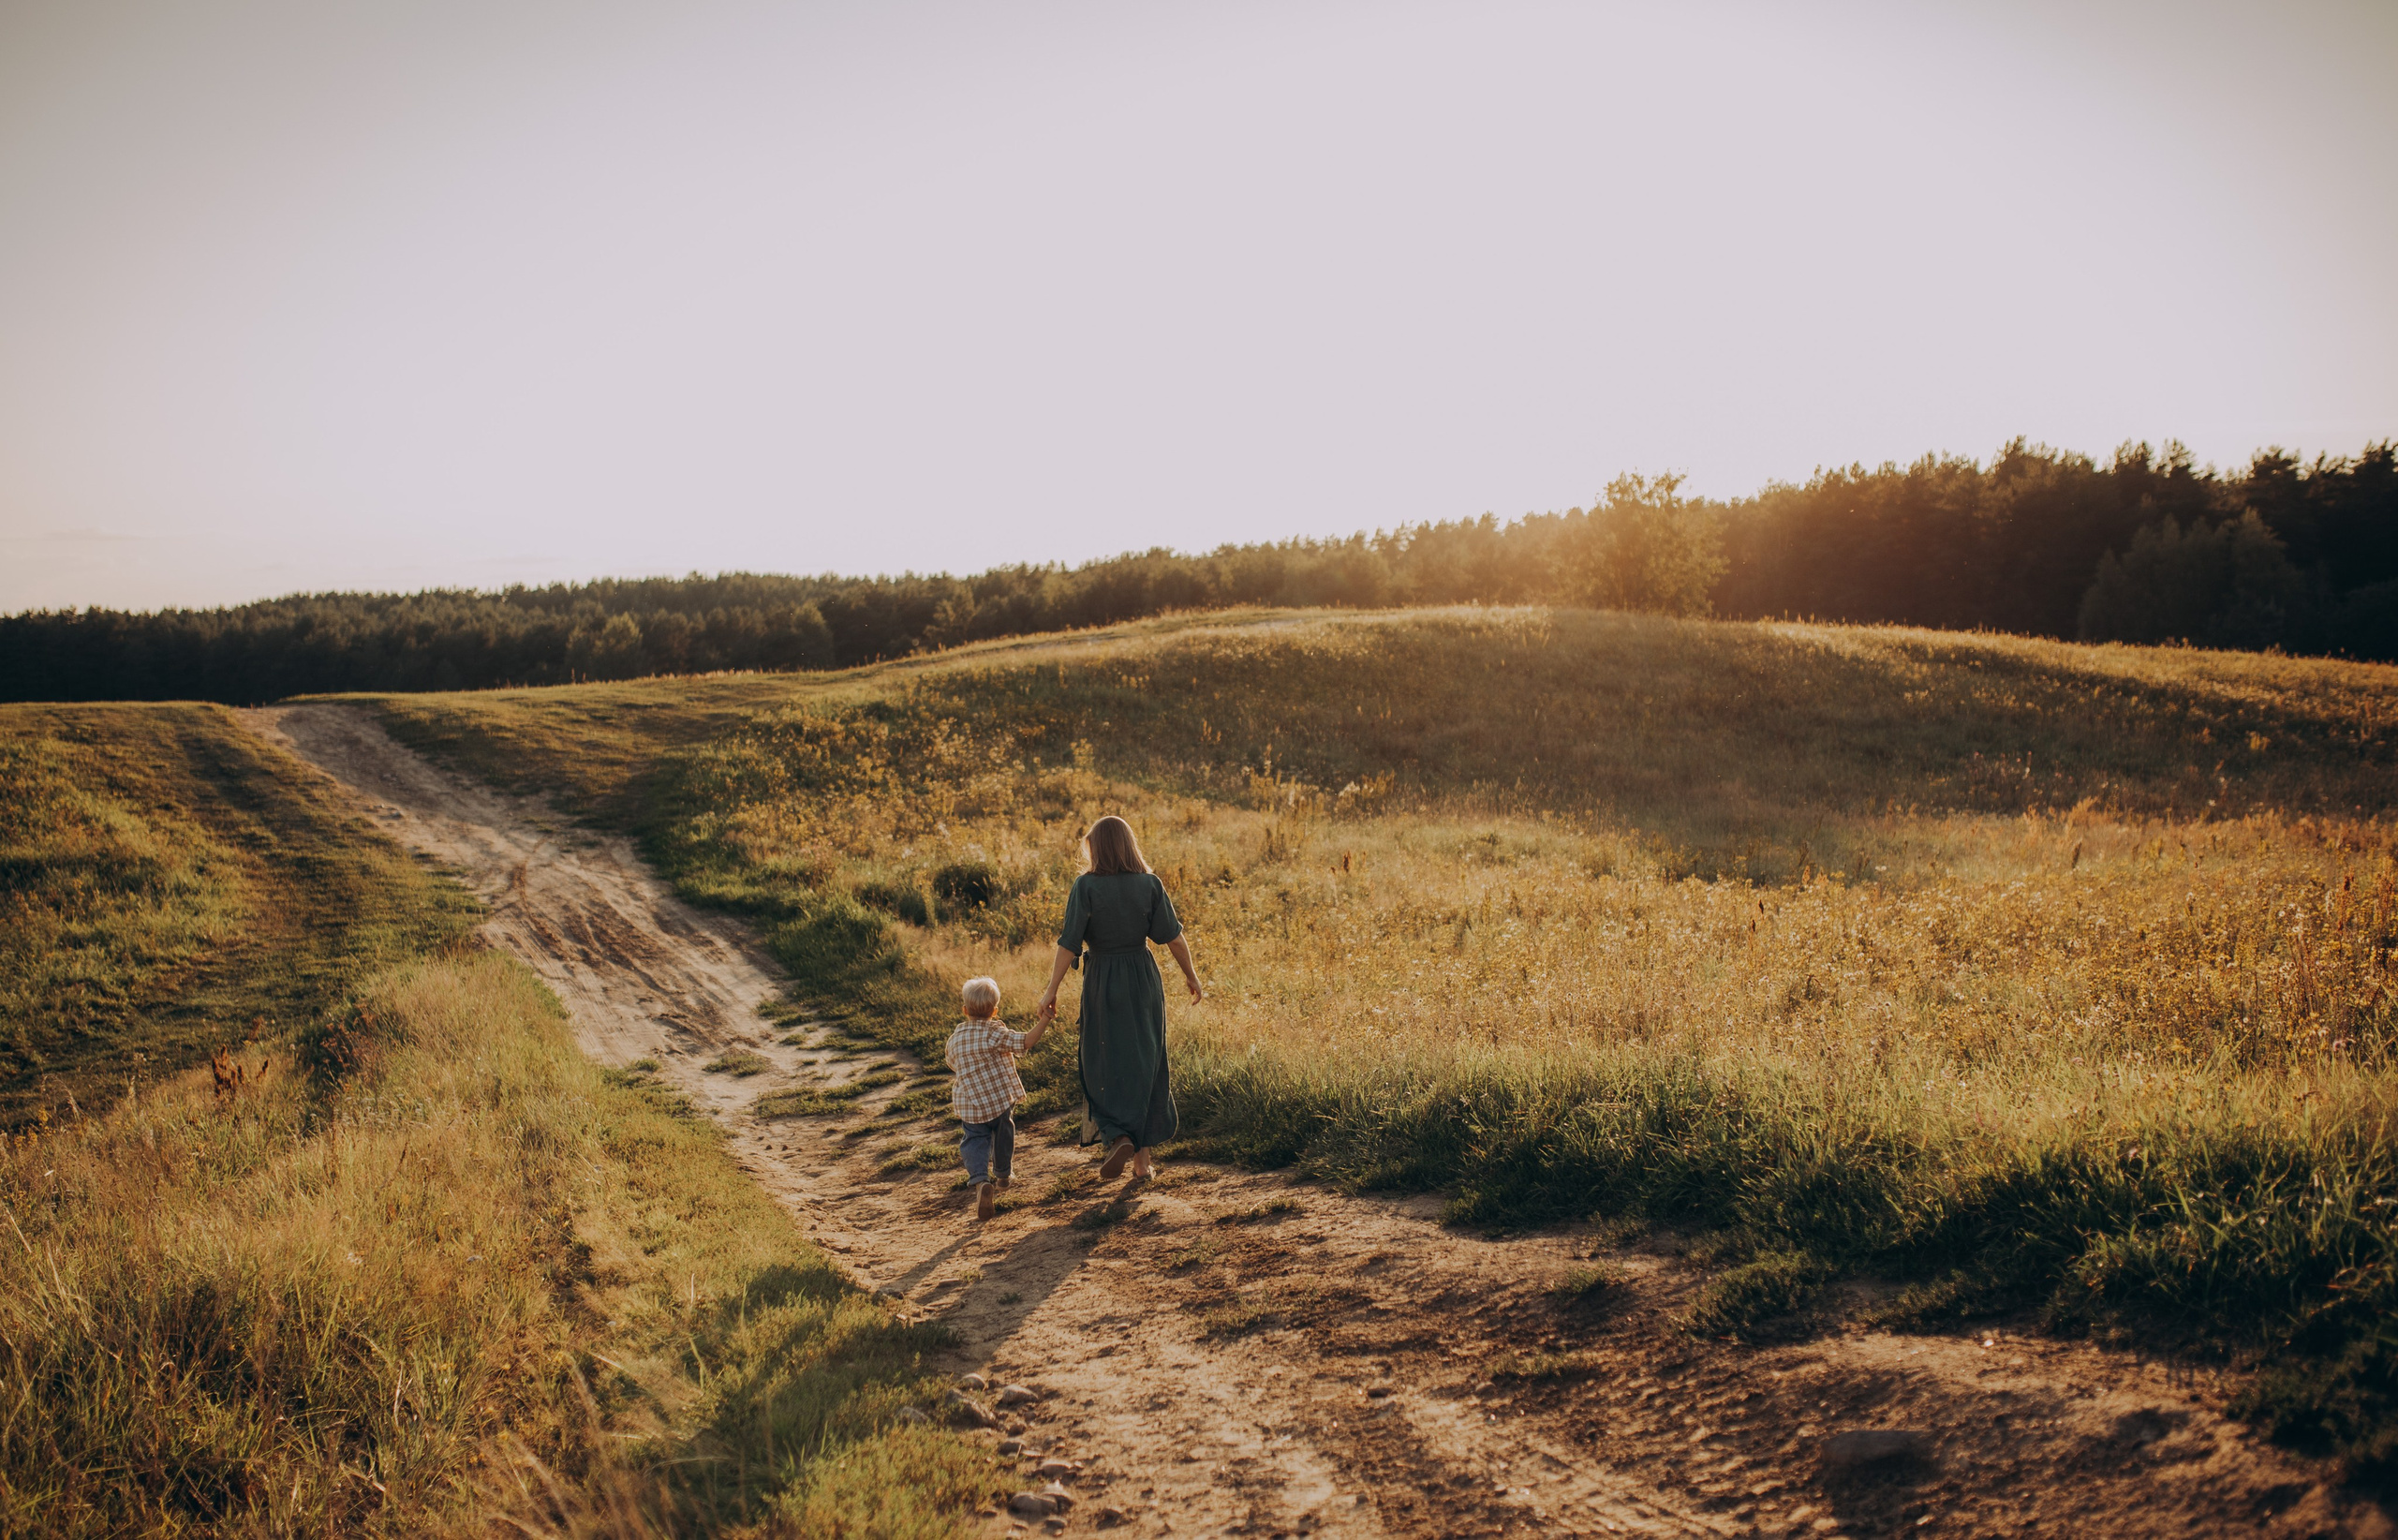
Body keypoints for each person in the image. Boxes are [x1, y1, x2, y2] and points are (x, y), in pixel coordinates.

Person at [1036, 815, 1202, 1182]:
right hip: (1143, 980)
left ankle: (1119, 1135)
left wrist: (1052, 989)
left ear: (1097, 848)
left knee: (1101, 1061)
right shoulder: (1150, 884)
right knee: (1146, 1063)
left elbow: (1069, 943)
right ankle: (1142, 1163)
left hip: (1102, 981)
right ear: (1129, 845)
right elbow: (1173, 937)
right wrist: (1191, 976)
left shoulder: (1086, 886)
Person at [945, 975, 1049, 1221]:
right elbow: (1026, 1041)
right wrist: (1045, 1018)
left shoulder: (956, 1037)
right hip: (999, 1102)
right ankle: (1002, 1175)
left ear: (964, 1010)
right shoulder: (994, 1033)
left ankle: (980, 1180)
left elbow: (951, 1063)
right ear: (995, 1011)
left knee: (974, 1140)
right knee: (1004, 1134)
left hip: (970, 1105)